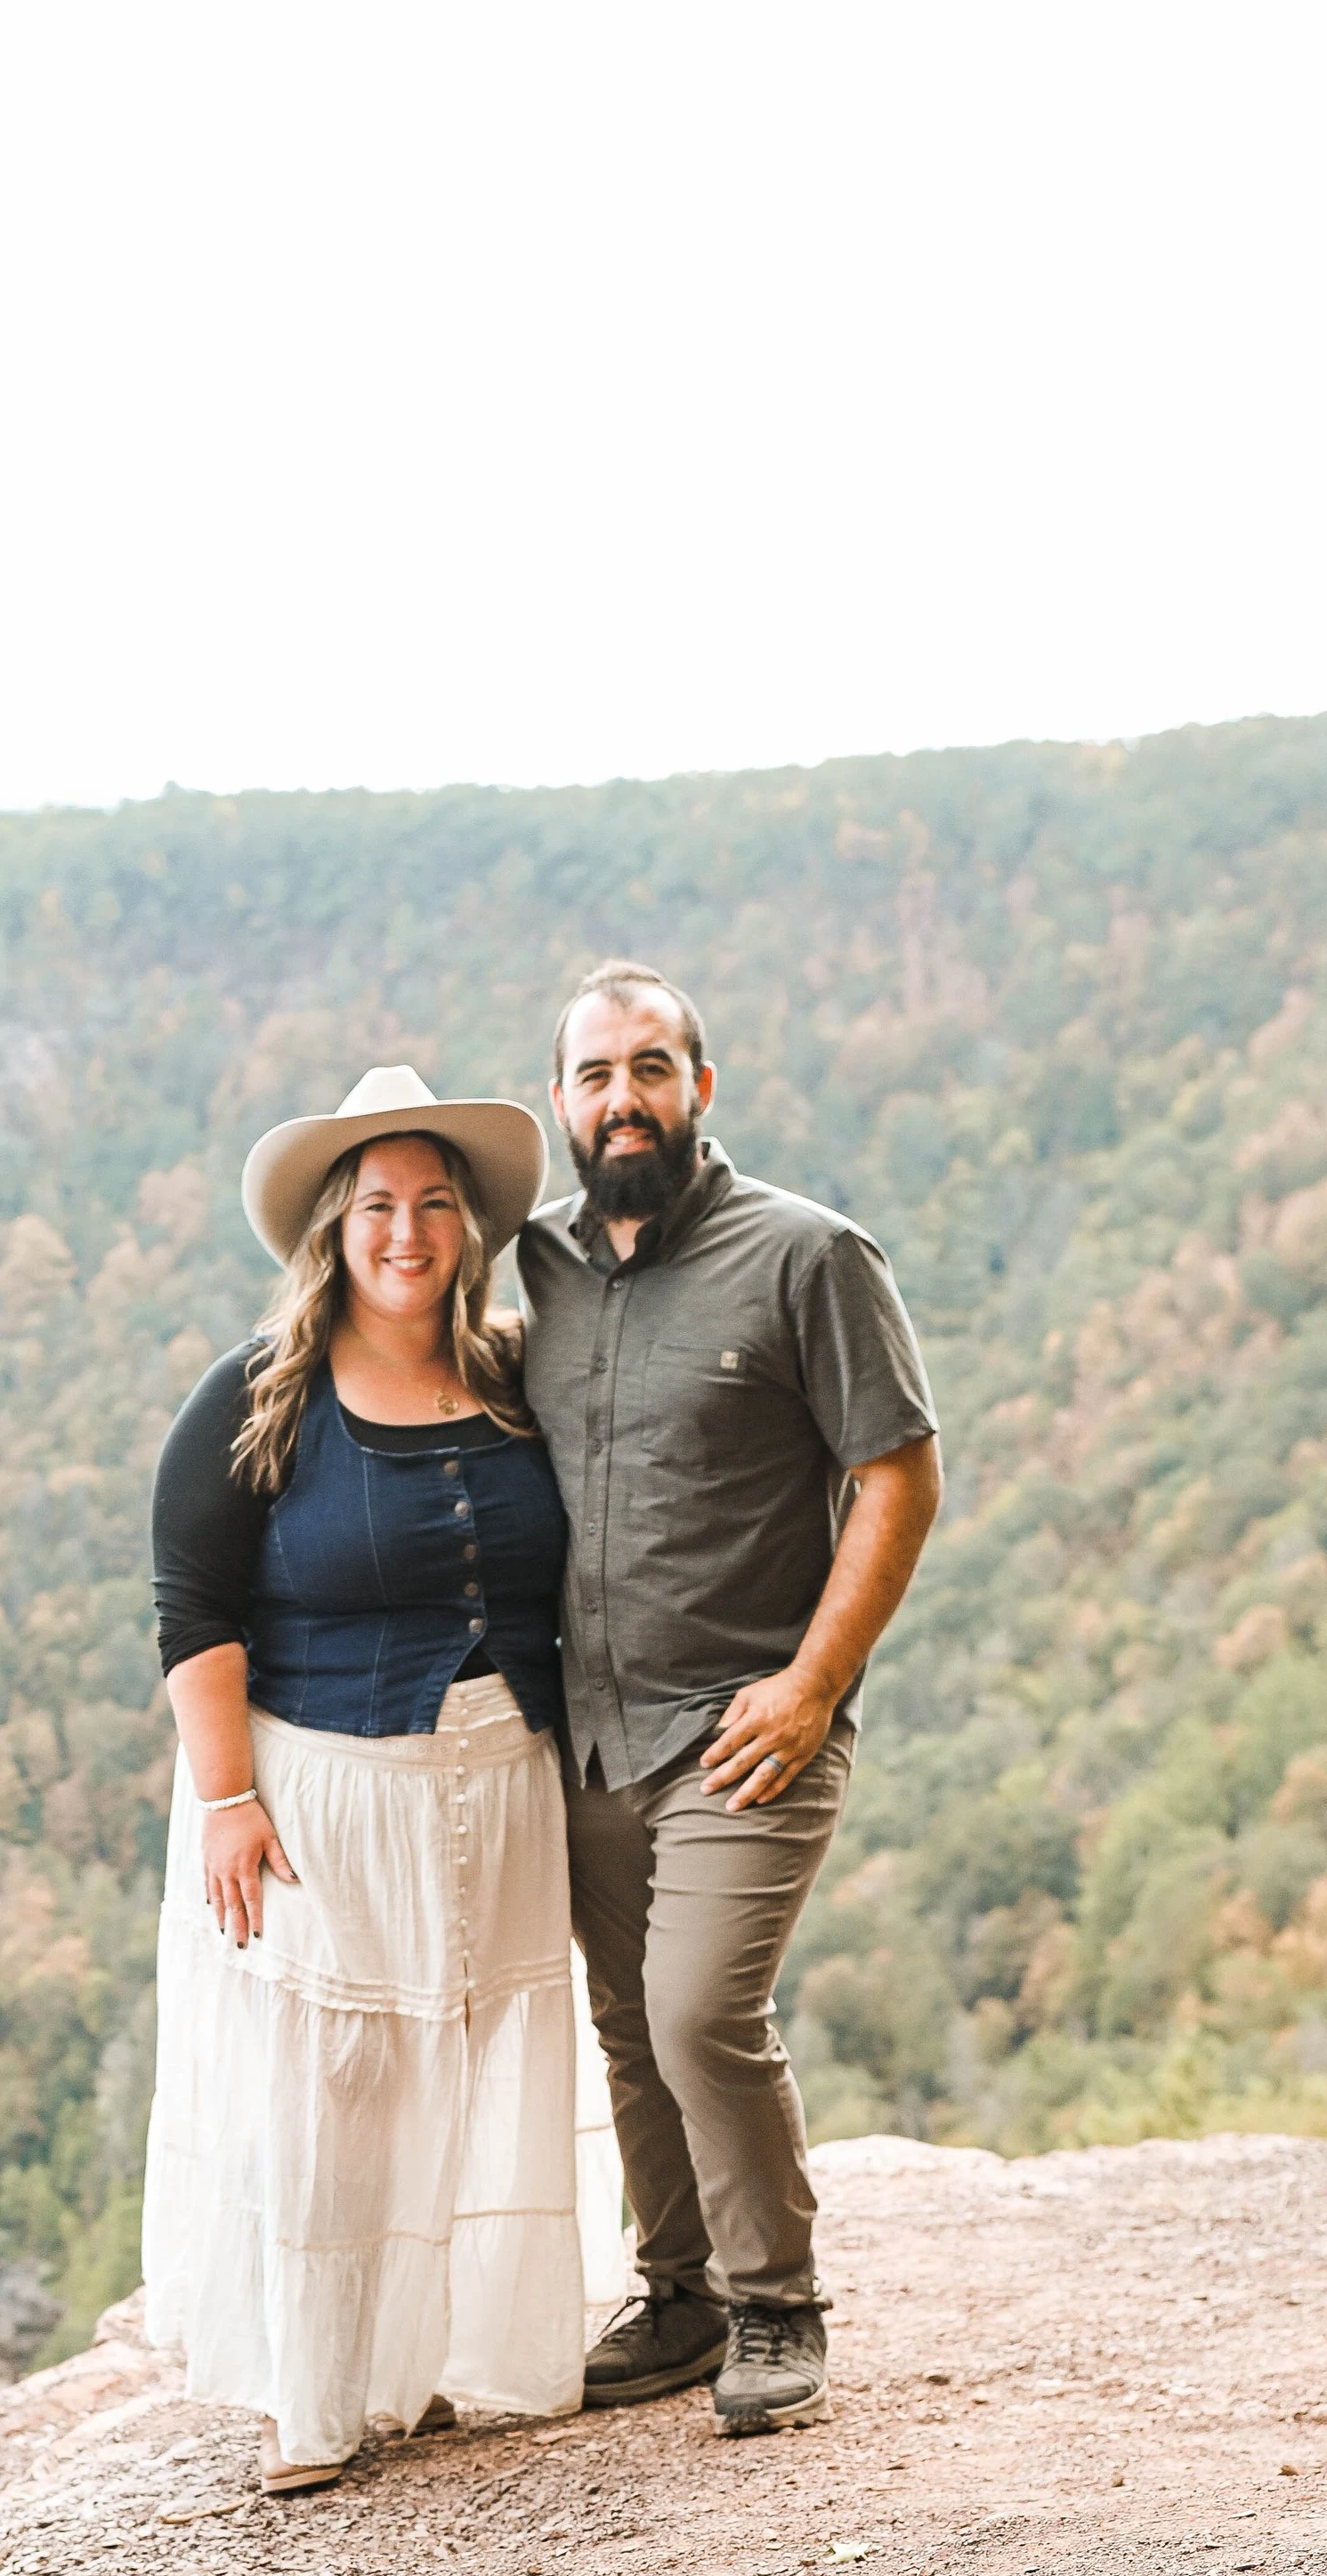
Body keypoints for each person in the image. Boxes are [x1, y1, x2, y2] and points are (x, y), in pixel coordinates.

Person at [142, 1064, 595, 2494]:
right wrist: (226, 1797)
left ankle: (454, 2361)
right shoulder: (264, 1388)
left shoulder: (519, 1371)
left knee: (478, 2056)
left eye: (437, 1204)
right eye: (381, 1204)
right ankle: (317, 2400)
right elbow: (189, 1600)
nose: (410, 1230)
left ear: (468, 1227)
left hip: (503, 1776)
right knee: (339, 2083)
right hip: (326, 1787)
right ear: (335, 1227)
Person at [517, 961, 943, 2439]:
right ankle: (683, 2291)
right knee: (632, 2023)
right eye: (594, 1074)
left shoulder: (811, 1255)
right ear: (560, 1102)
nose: (622, 1097)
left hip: (751, 1723)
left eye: (651, 1066)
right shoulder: (543, 1268)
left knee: (702, 2010)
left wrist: (817, 1684)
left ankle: (778, 2301)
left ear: (703, 1085)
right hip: (589, 1732)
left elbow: (899, 1471)